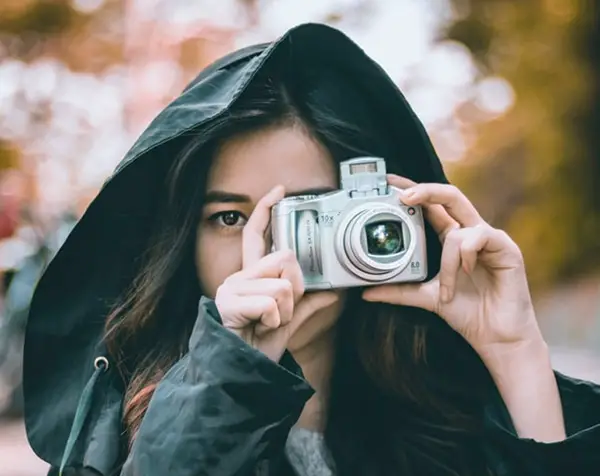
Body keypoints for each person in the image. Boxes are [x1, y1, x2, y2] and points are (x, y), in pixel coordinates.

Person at [23, 23, 600, 476]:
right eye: (230, 217)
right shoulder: (113, 438)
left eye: (307, 217)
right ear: (181, 242)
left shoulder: (452, 425)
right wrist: (227, 374)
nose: (267, 251)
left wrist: (515, 349)